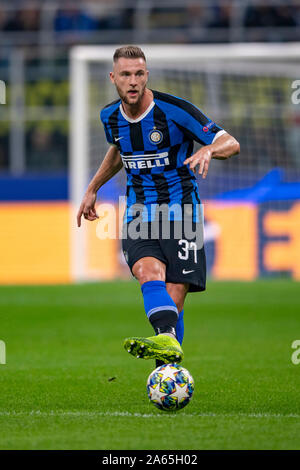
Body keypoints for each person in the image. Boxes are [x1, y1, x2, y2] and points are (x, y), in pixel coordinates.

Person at [77, 45, 240, 367]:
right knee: (146, 272)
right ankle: (166, 371)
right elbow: (117, 150)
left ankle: (166, 367)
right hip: (139, 212)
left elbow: (230, 143)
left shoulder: (175, 110)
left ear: (146, 75)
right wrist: (92, 188)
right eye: (126, 75)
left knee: (175, 294)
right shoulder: (109, 116)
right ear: (114, 78)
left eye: (139, 74)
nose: (133, 81)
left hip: (182, 213)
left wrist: (210, 150)